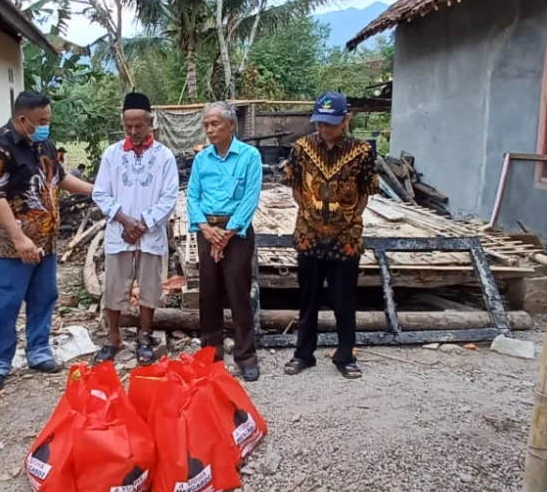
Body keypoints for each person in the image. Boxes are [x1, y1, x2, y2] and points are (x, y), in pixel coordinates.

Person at [0, 90, 94, 392]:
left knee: (44, 298)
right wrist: (19, 238)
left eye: (48, 120)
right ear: (22, 119)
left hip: (46, 241)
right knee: (4, 304)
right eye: (41, 121)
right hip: (8, 245)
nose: (46, 126)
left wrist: (97, 189)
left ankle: (39, 351)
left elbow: (60, 178)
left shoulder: (43, 143)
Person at [281, 92, 376, 380]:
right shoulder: (301, 148)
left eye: (331, 124)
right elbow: (295, 185)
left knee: (344, 299)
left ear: (346, 119)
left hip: (346, 238)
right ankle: (303, 354)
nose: (324, 129)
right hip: (309, 235)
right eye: (320, 123)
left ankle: (345, 355)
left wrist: (347, 220)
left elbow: (366, 192)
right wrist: (310, 214)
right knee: (307, 298)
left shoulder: (362, 152)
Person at [91, 92, 179, 365]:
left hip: (150, 233)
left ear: (150, 123)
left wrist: (144, 223)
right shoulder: (112, 154)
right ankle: (113, 338)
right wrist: (127, 222)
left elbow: (170, 196)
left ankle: (144, 336)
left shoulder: (164, 156)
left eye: (139, 126)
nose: (133, 131)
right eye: (128, 126)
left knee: (150, 287)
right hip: (120, 231)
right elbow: (100, 193)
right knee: (115, 286)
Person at [186, 101, 263, 381]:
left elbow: (250, 198)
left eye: (215, 123)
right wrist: (206, 230)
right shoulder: (202, 159)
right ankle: (211, 352)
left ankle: (246, 355)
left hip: (237, 233)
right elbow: (192, 196)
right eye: (206, 124)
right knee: (209, 293)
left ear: (232, 125)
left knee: (238, 292)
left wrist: (227, 233)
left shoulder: (249, 156)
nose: (209, 129)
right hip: (207, 230)